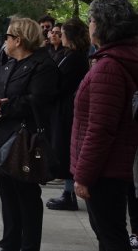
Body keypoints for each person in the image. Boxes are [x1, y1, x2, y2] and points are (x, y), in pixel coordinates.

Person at [0, 17, 59, 251]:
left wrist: (2, 106)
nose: (3, 41)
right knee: (7, 197)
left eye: (6, 36)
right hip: (1, 139)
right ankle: (9, 243)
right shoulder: (7, 63)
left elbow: (37, 101)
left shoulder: (42, 65)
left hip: (24, 143)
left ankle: (28, 246)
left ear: (18, 39)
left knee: (26, 198)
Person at [71, 0, 138, 250]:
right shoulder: (118, 58)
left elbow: (100, 128)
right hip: (113, 166)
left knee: (110, 236)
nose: (88, 25)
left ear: (101, 24)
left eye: (90, 20)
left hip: (104, 170)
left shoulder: (108, 66)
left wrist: (83, 176)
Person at [46, 18, 90, 211]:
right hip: (62, 108)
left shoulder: (75, 58)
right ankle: (67, 191)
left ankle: (69, 193)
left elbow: (59, 83)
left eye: (62, 33)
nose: (59, 36)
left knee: (65, 150)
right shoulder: (68, 55)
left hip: (67, 110)